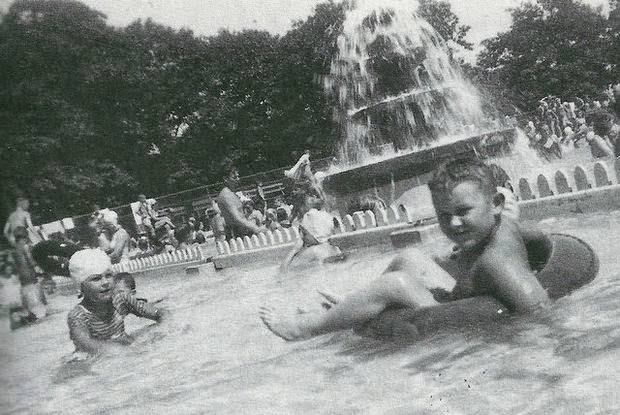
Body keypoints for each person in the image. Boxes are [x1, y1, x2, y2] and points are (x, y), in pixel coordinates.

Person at [260, 158, 596, 341]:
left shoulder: (498, 264)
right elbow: (538, 238)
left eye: (463, 212)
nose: (454, 224)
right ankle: (352, 309)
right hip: (466, 293)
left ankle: (306, 329)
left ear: (494, 203)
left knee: (397, 285)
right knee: (411, 258)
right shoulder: (501, 224)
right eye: (443, 215)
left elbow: (542, 314)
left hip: (466, 310)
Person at [66, 249, 166, 354]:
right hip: (98, 358)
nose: (105, 282)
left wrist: (165, 328)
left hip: (123, 348)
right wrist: (127, 351)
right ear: (81, 286)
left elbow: (160, 313)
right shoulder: (79, 316)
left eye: (108, 275)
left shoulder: (120, 299)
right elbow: (85, 344)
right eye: (96, 279)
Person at [216, 167, 264, 238]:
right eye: (234, 177)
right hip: (237, 233)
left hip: (242, 231)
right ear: (225, 179)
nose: (238, 179)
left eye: (238, 176)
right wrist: (256, 228)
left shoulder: (231, 193)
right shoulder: (226, 195)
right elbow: (237, 219)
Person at [12, 227, 47, 321]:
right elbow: (30, 261)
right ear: (25, 237)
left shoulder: (14, 248)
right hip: (28, 273)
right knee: (33, 294)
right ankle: (35, 313)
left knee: (25, 294)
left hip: (21, 275)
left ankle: (28, 313)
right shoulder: (25, 246)